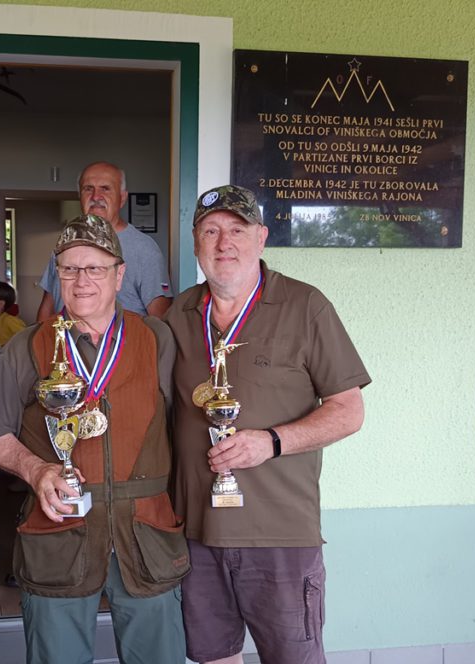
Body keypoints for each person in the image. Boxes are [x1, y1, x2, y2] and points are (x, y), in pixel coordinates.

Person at [163, 185, 371, 664]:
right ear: (195, 243)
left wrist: (272, 442)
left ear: (261, 238)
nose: (224, 243)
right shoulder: (178, 314)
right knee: (214, 657)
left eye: (237, 230)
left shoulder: (305, 305)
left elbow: (348, 410)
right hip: (196, 531)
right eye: (210, 231)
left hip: (279, 534)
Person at [0, 214, 189, 664]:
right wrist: (35, 470)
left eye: (95, 268)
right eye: (70, 269)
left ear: (120, 275)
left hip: (147, 537)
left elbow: (183, 426)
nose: (82, 280)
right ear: (57, 275)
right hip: (58, 538)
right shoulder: (27, 346)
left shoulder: (158, 339)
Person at [36, 161, 173, 319]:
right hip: (63, 334)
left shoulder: (144, 249)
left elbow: (160, 321)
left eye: (105, 188)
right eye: (88, 188)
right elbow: (47, 310)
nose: (96, 197)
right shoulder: (67, 243)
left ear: (122, 198)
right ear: (80, 196)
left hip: (121, 336)